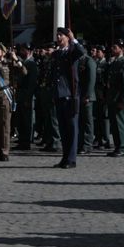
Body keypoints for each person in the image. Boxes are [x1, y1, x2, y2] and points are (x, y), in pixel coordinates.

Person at [48, 26, 85, 168]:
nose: (58, 38)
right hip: (59, 94)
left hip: (70, 95)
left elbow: (81, 52)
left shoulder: (72, 52)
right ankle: (64, 157)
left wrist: (73, 38)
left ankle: (71, 159)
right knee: (63, 129)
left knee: (72, 129)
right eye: (57, 36)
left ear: (66, 37)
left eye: (60, 36)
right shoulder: (58, 53)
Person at [106, 40, 124, 156]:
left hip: (119, 98)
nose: (112, 49)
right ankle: (118, 146)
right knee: (114, 123)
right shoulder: (114, 62)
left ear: (121, 48)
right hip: (112, 98)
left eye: (115, 47)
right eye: (112, 47)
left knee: (121, 123)